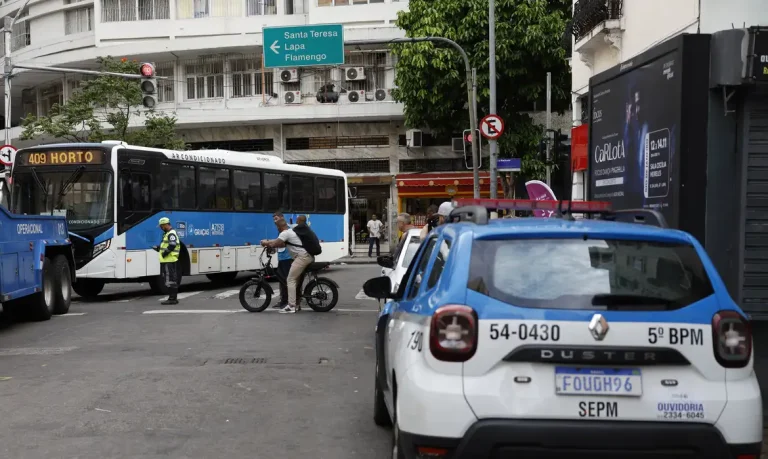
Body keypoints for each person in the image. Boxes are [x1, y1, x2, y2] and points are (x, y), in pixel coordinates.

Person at [261, 212, 314, 314]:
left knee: (290, 279)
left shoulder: (285, 233)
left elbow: (277, 242)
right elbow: (281, 244)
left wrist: (265, 243)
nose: (275, 225)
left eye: (276, 222)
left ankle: (291, 306)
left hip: (301, 257)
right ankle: (296, 304)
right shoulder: (289, 232)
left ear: (279, 226)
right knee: (295, 280)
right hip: (305, 256)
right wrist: (270, 244)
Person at [152, 217, 180, 305]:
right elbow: (168, 245)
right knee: (170, 279)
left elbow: (172, 245)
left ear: (165, 225)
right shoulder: (168, 234)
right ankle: (172, 298)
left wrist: (164, 253)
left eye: (161, 226)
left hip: (169, 260)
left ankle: (172, 298)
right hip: (168, 260)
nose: (161, 228)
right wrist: (159, 248)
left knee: (170, 279)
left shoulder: (171, 234)